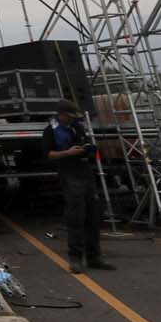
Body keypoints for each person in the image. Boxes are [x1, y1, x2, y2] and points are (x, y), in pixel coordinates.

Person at [43, 99, 115, 274]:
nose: (71, 119)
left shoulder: (77, 127)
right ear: (61, 115)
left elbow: (85, 143)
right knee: (76, 216)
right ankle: (75, 258)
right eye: (68, 116)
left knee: (93, 215)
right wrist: (68, 153)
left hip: (85, 172)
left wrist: (89, 149)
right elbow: (49, 154)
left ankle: (94, 256)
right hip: (69, 173)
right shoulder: (50, 132)